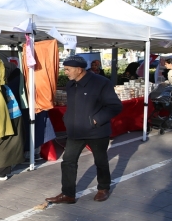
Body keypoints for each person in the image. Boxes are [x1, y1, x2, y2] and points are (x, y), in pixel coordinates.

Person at [45, 55, 122, 204]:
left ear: (79, 70)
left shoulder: (101, 83)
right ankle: (68, 194)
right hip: (75, 131)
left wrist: (95, 119)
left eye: (68, 69)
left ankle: (103, 188)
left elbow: (115, 106)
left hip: (97, 131)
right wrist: (67, 118)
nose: (65, 72)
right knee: (68, 161)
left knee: (100, 161)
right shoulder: (70, 85)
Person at [0, 61, 25, 180]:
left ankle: (2, 172)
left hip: (10, 116)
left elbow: (1, 103)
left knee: (3, 144)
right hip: (6, 116)